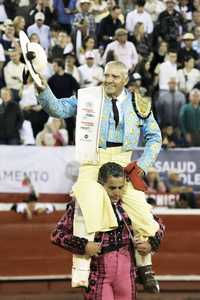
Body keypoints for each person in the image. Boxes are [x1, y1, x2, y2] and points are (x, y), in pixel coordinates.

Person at [35, 60, 162, 291]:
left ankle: (145, 265)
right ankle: (82, 268)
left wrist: (142, 165)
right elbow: (59, 109)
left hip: (123, 162)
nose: (109, 80)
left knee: (142, 212)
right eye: (107, 75)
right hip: (93, 160)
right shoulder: (89, 97)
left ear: (125, 80)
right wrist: (43, 89)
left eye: (114, 77)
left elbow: (155, 137)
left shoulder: (138, 103)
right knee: (87, 203)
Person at [51, 162, 165, 298]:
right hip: (98, 272)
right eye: (112, 188)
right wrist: (84, 246)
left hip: (126, 272)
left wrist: (151, 244)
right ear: (100, 185)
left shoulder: (128, 204)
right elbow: (57, 234)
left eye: (121, 187)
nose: (117, 192)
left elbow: (158, 226)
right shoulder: (84, 204)